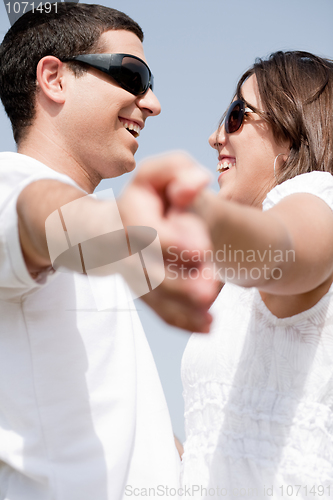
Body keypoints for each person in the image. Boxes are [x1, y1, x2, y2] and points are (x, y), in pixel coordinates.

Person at [0, 4, 218, 499]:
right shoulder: (12, 183)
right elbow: (39, 214)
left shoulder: (97, 235)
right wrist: (122, 232)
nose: (154, 102)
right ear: (54, 78)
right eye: (132, 75)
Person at [177, 51, 333, 497]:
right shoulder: (234, 292)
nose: (213, 137)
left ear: (291, 132)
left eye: (235, 115)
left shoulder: (317, 198)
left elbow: (278, 247)